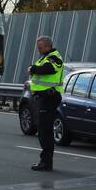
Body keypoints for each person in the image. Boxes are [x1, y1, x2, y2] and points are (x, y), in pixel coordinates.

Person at [27, 35, 65, 172]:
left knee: (45, 131)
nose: (38, 49)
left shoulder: (54, 57)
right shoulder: (44, 57)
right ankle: (45, 161)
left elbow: (48, 69)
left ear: (48, 46)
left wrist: (32, 69)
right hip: (43, 98)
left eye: (41, 47)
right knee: (42, 130)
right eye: (38, 47)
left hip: (50, 97)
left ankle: (46, 162)